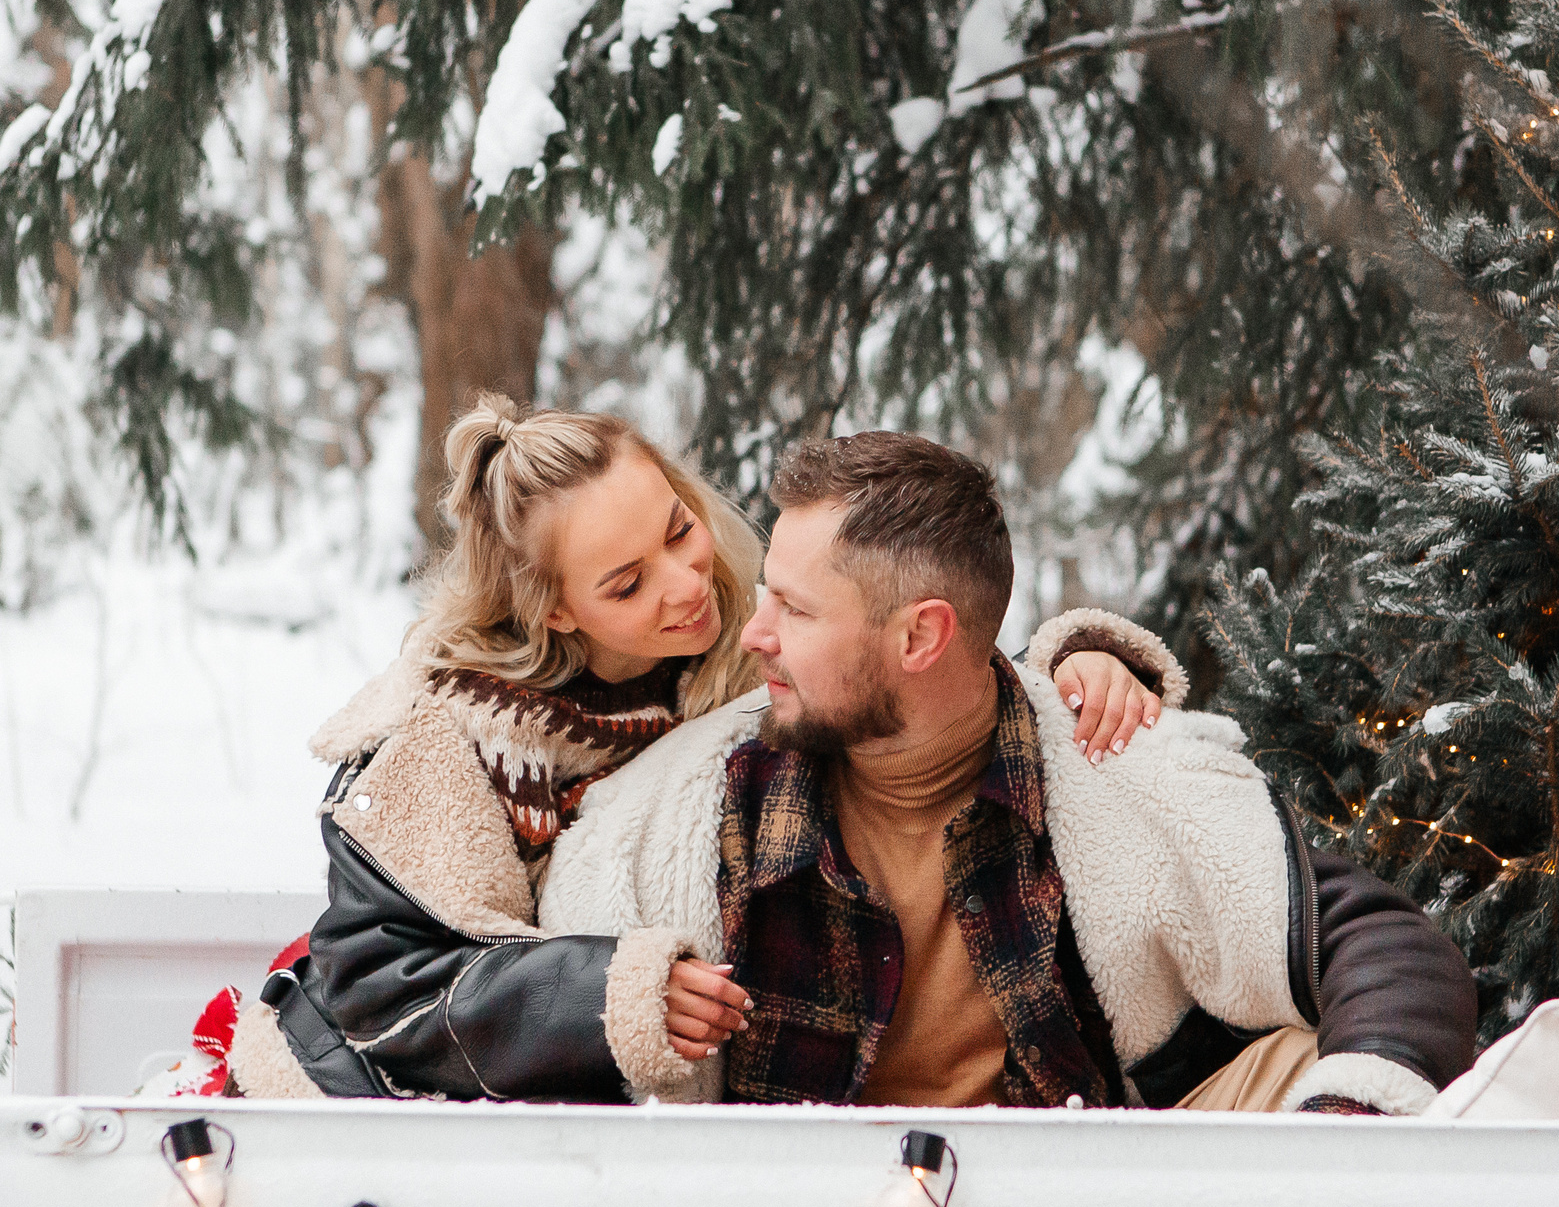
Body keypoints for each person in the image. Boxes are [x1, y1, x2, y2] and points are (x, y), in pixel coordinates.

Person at [226, 399, 1171, 1101]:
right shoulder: (446, 738)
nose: (688, 584)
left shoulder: (738, 637)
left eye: (679, 527)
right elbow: (376, 979)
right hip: (369, 1090)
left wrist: (1074, 664)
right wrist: (603, 988)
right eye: (630, 583)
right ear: (557, 611)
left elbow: (909, 657)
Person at [541, 432, 1476, 1114]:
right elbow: (533, 1041)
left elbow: (1379, 945)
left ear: (921, 637)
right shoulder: (683, 815)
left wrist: (1349, 1128)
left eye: (794, 608)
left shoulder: (1112, 767)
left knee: (1308, 1059)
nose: (754, 634)